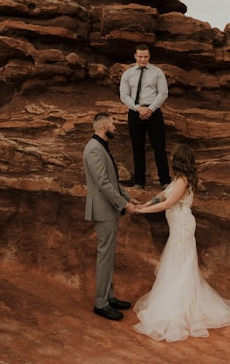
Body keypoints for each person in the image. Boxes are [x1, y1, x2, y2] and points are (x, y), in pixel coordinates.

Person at [133, 144, 230, 342]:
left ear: (178, 160)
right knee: (178, 262)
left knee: (180, 263)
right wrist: (144, 204)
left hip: (182, 227)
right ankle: (178, 299)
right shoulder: (177, 180)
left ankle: (180, 305)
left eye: (172, 156)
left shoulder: (183, 181)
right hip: (178, 226)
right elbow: (162, 196)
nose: (169, 158)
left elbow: (168, 203)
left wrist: (141, 212)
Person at [83, 112, 138, 320]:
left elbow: (112, 181)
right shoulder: (94, 149)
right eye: (113, 124)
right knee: (105, 256)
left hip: (108, 208)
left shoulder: (100, 146)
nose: (115, 127)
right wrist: (123, 204)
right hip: (103, 210)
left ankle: (109, 296)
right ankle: (101, 303)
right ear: (104, 124)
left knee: (108, 255)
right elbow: (103, 184)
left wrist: (128, 198)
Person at [119, 44, 170, 189]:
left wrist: (150, 109)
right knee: (137, 148)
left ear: (149, 56)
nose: (143, 59)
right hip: (135, 112)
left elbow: (163, 93)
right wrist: (138, 109)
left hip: (154, 112)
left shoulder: (157, 72)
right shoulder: (128, 74)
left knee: (159, 147)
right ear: (135, 56)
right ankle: (139, 182)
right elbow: (124, 95)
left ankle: (165, 181)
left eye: (145, 57)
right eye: (140, 56)